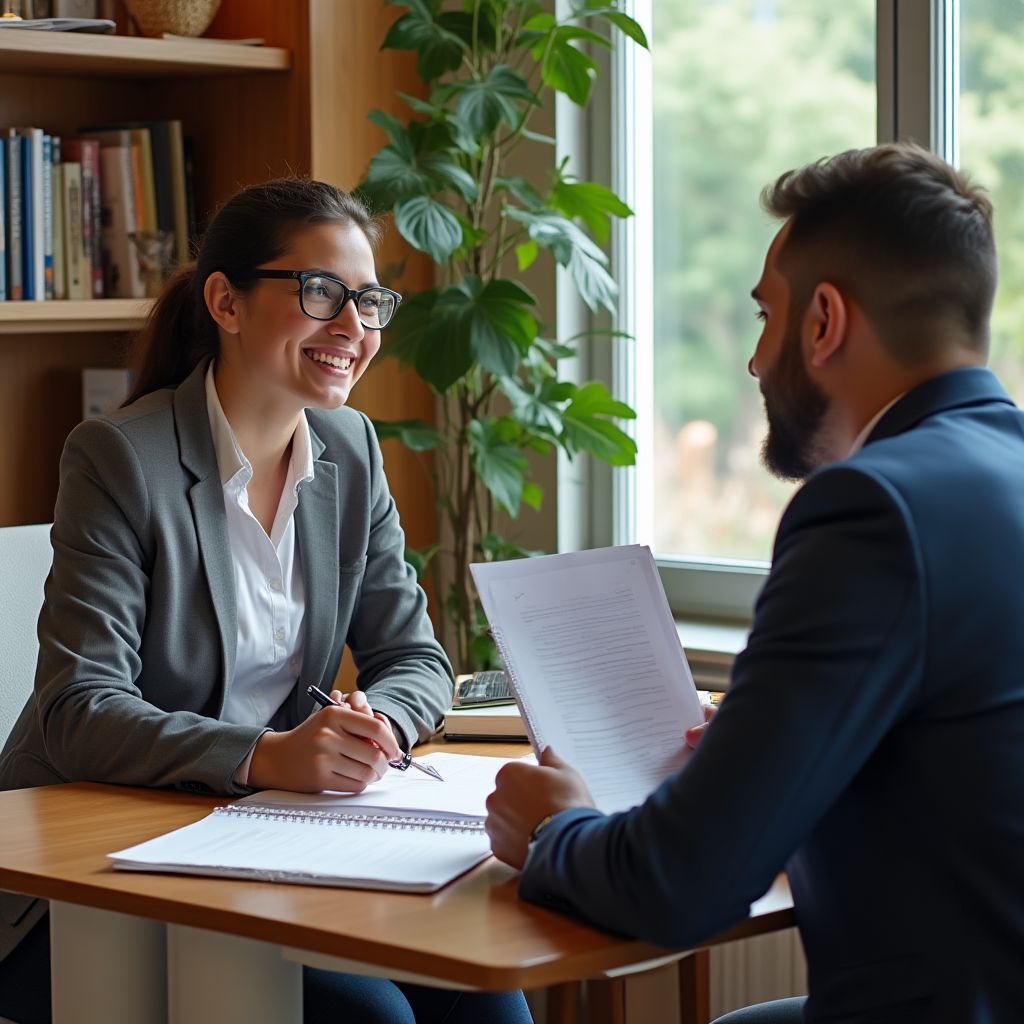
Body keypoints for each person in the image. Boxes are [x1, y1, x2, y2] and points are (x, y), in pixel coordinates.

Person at [485, 142, 1024, 1024]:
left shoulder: (869, 509)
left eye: (765, 317)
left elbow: (679, 887)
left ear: (823, 322)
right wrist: (771, 746)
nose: (753, 358)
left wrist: (554, 828)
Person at [0, 178, 532, 1024]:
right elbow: (78, 709)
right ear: (226, 302)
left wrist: (379, 728)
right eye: (321, 293)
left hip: (265, 847)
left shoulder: (351, 450)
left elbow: (415, 661)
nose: (353, 329)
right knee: (373, 1018)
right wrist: (268, 755)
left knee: (486, 997)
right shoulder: (118, 457)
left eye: (368, 301)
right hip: (81, 879)